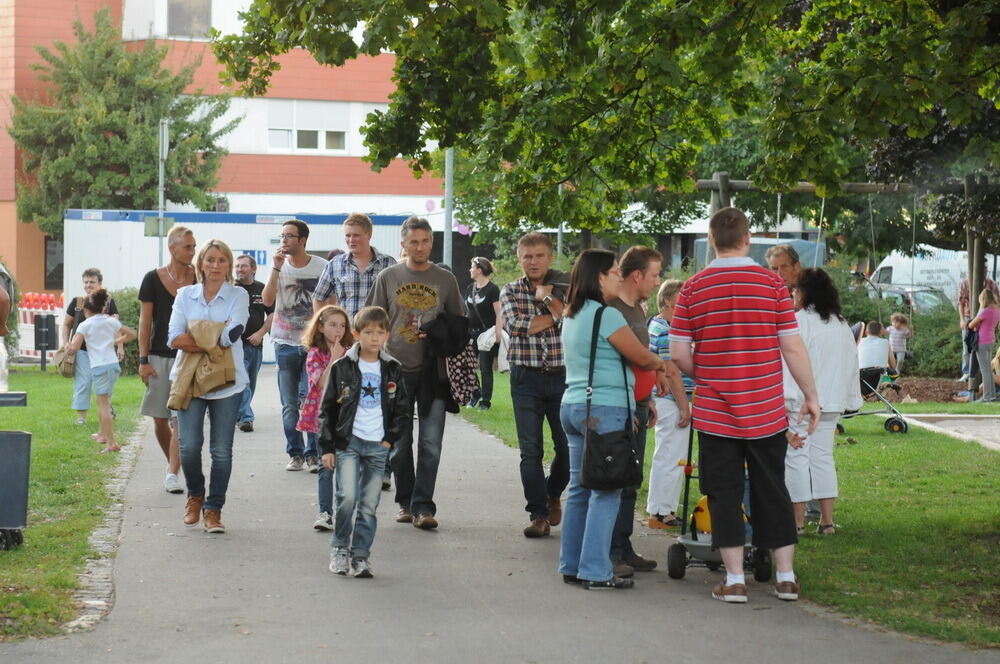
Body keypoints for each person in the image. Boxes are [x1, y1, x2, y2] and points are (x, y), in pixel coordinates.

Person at [670, 207, 820, 604]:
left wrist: (707, 374)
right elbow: (791, 344)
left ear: (712, 238)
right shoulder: (772, 285)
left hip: (716, 413)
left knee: (723, 493)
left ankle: (735, 580)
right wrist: (811, 396)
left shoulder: (692, 288)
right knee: (772, 488)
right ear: (748, 238)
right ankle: (785, 577)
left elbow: (679, 352)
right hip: (766, 409)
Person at [558, 249, 664, 590]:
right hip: (605, 409)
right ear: (599, 277)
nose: (621, 276)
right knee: (607, 491)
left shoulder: (573, 314)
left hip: (574, 405)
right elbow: (640, 357)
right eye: (616, 272)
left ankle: (572, 565)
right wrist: (663, 363)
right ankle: (595, 570)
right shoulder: (607, 317)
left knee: (579, 488)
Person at [365, 216, 465, 530]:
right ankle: (405, 503)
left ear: (431, 243)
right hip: (395, 369)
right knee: (399, 441)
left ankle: (424, 506)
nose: (419, 247)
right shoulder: (388, 276)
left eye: (425, 241)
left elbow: (460, 324)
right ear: (403, 244)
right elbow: (372, 321)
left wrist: (437, 332)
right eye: (413, 242)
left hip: (433, 371)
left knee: (431, 442)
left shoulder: (445, 279)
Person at [607, 245, 685, 575]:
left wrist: (648, 399)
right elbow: (636, 358)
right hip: (618, 407)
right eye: (654, 275)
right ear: (637, 275)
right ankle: (611, 551)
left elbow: (642, 359)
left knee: (630, 480)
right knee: (614, 481)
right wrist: (661, 369)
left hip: (639, 405)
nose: (656, 283)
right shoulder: (614, 311)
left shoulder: (637, 310)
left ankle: (624, 547)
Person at [318, 306, 409, 578]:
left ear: (387, 336)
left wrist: (389, 440)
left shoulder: (392, 369)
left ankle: (361, 556)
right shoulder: (342, 367)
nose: (374, 338)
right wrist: (326, 447)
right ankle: (339, 549)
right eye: (368, 332)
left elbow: (402, 410)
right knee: (347, 497)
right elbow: (328, 410)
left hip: (377, 445)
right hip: (348, 442)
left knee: (369, 504)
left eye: (380, 332)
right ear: (356, 334)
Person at [168, 239, 249, 534]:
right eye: (210, 260)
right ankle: (195, 495)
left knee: (222, 451)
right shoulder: (185, 296)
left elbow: (233, 334)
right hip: (189, 379)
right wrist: (215, 332)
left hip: (228, 382)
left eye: (222, 260)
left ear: (229, 265)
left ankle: (213, 509)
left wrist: (199, 332)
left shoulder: (237, 295)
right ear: (201, 263)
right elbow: (174, 338)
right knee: (188, 446)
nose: (216, 266)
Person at [313, 213, 397, 488]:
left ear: (369, 235)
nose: (351, 240)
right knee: (351, 403)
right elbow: (320, 297)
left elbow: (398, 305)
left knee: (381, 403)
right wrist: (327, 330)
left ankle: (382, 466)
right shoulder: (336, 265)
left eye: (356, 235)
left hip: (378, 344)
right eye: (347, 235)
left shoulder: (387, 264)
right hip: (348, 345)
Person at [500, 232, 571, 538]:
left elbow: (572, 316)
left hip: (562, 376)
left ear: (550, 257)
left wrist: (546, 298)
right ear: (520, 258)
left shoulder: (568, 287)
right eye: (528, 256)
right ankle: (537, 514)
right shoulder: (510, 290)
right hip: (525, 377)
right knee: (531, 451)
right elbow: (516, 326)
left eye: (539, 255)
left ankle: (552, 492)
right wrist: (556, 313)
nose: (533, 261)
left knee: (568, 446)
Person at [783, 269, 862, 536]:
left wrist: (784, 399)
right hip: (832, 401)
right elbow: (853, 363)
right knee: (822, 458)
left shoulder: (798, 322)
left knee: (797, 458)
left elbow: (788, 363)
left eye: (795, 289)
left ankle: (797, 522)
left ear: (805, 292)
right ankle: (826, 522)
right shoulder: (840, 324)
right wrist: (849, 397)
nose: (792, 294)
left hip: (802, 402)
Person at [262, 219, 328, 472]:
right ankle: (295, 453)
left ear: (303, 240)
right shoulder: (278, 267)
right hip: (284, 343)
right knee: (289, 403)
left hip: (313, 344)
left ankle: (313, 454)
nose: (284, 241)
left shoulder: (322, 266)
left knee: (311, 399)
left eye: (289, 236)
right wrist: (275, 269)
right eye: (282, 236)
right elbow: (267, 300)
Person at [138, 225, 197, 495]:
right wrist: (142, 359)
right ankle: (173, 464)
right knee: (160, 419)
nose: (193, 251)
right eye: (188, 246)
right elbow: (145, 321)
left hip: (189, 356)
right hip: (159, 357)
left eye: (194, 246)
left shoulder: (199, 277)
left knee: (179, 419)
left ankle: (172, 473)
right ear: (172, 248)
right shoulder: (152, 278)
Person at [297, 305, 353, 531]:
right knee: (325, 465)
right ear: (320, 327)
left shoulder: (351, 351)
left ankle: (344, 511)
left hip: (347, 417)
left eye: (342, 325)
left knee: (346, 466)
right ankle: (324, 512)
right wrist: (335, 358)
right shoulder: (315, 353)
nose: (338, 330)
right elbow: (321, 382)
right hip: (324, 418)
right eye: (332, 325)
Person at [646, 279, 693, 530]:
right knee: (671, 457)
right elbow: (671, 371)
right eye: (683, 296)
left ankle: (663, 508)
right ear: (668, 300)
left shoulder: (661, 325)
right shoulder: (665, 330)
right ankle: (662, 511)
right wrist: (685, 406)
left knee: (671, 455)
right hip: (671, 400)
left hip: (670, 398)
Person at [65, 289, 136, 453]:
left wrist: (68, 349)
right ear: (103, 308)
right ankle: (102, 434)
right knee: (103, 401)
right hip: (113, 366)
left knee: (103, 405)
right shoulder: (110, 321)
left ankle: (112, 443)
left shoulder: (85, 324)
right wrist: (116, 340)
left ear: (86, 310)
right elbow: (132, 334)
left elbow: (74, 348)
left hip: (99, 367)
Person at [63, 268, 123, 426]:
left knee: (103, 383)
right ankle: (81, 417)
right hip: (82, 351)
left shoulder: (108, 302)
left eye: (92, 282)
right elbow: (67, 324)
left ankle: (106, 409)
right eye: (86, 282)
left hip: (103, 352)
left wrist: (120, 347)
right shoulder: (77, 302)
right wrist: (65, 343)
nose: (88, 285)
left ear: (100, 283)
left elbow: (116, 327)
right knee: (83, 383)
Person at [234, 254, 274, 433]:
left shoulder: (262, 289)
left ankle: (237, 413)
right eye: (237, 266)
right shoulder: (231, 289)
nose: (239, 269)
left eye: (243, 266)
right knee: (243, 383)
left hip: (256, 345)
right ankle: (246, 418)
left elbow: (272, 315)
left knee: (250, 383)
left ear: (253, 269)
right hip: (235, 345)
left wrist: (260, 333)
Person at [465, 257, 501, 410]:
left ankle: (485, 402)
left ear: (479, 270)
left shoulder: (493, 289)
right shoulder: (469, 288)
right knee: (468, 366)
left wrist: (498, 333)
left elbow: (499, 313)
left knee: (485, 368)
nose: (470, 270)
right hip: (471, 334)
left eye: (472, 267)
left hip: (487, 334)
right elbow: (468, 312)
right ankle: (475, 394)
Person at [957, 265, 999, 379]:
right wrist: (962, 320)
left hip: (983, 320)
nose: (984, 273)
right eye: (982, 270)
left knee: (982, 348)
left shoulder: (991, 284)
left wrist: (995, 324)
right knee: (967, 347)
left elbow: (996, 303)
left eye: (985, 271)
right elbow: (960, 302)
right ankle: (967, 372)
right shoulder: (965, 283)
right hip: (969, 316)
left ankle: (979, 374)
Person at [967, 288, 1000, 402]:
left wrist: (981, 308)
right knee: (988, 370)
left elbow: (971, 325)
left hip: (981, 341)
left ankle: (986, 397)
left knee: (984, 370)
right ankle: (992, 394)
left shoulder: (985, 311)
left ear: (983, 299)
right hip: (991, 340)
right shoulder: (997, 311)